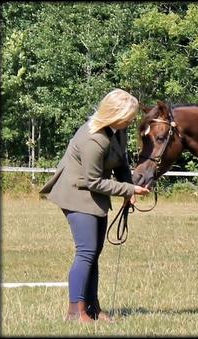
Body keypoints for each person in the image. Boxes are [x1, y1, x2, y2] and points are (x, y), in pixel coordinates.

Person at [40, 89, 150, 323]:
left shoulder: (118, 130)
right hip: (76, 193)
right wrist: (129, 190)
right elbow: (93, 181)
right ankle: (75, 312)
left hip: (94, 191)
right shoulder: (94, 138)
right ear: (115, 114)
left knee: (94, 253)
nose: (131, 120)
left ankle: (91, 308)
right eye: (128, 116)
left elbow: (120, 162)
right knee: (86, 252)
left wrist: (128, 188)